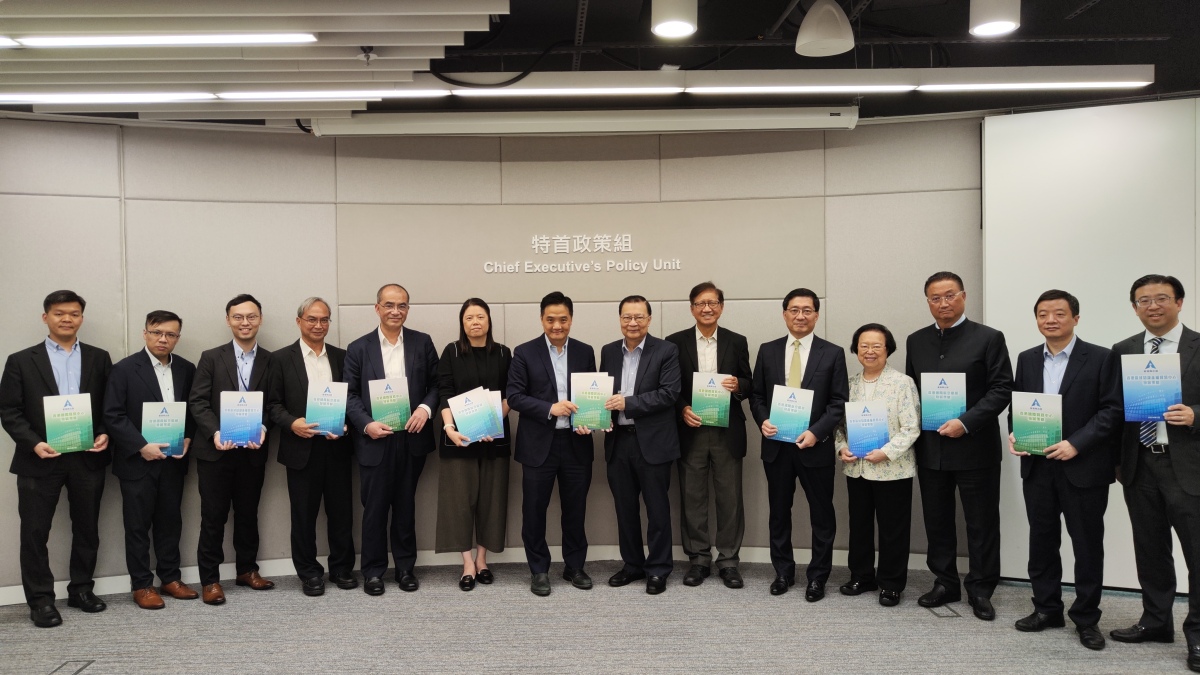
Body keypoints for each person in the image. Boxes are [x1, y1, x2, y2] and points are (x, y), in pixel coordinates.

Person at [1008, 289, 1121, 651]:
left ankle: (1086, 618)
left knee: (1087, 546)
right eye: (1043, 314)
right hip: (1038, 466)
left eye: (1059, 313)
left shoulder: (1102, 357)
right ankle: (1046, 609)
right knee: (1042, 541)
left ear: (1075, 318)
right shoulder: (1026, 358)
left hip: (1083, 467)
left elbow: (1112, 411)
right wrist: (1015, 433)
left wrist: (1076, 443)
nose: (1050, 320)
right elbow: (1019, 403)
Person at [0, 290, 112, 628]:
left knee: (87, 527)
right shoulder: (21, 360)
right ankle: (41, 601)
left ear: (81, 318)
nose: (67, 319)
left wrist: (104, 432)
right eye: (59, 313)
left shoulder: (99, 357)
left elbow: (110, 405)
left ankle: (81, 590)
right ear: (45, 317)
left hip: (87, 457)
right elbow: (9, 411)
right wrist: (34, 443)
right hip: (40, 458)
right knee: (35, 532)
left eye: (74, 313)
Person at [905, 271, 1012, 621]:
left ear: (963, 296)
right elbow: (912, 394)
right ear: (928, 302)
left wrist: (965, 422)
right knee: (937, 521)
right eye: (935, 298)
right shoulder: (916, 340)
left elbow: (1002, 389)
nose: (943, 303)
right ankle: (945, 582)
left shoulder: (989, 338)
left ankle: (981, 589)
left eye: (950, 295)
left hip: (975, 448)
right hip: (931, 449)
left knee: (981, 523)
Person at [1109, 274, 1200, 671]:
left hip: (1188, 467)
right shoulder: (1124, 349)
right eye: (1143, 300)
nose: (1153, 306)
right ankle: (1156, 621)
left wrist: (1196, 415)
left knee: (1197, 554)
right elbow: (1112, 409)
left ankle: (1198, 634)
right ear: (1134, 308)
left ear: (1179, 302)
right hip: (1140, 463)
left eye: (1161, 298)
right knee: (1150, 549)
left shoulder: (1198, 345)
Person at [751, 288, 849, 601]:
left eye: (807, 310)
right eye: (794, 310)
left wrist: (817, 433)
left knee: (822, 515)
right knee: (779, 513)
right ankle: (783, 572)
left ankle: (818, 577)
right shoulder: (767, 350)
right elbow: (757, 395)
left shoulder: (832, 353)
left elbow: (838, 401)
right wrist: (763, 420)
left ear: (816, 315)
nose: (800, 316)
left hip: (814, 447)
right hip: (777, 446)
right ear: (784, 314)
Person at [344, 283, 439, 596]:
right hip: (375, 439)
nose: (395, 311)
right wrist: (366, 424)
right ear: (377, 308)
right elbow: (350, 395)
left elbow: (437, 385)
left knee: (405, 506)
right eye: (389, 305)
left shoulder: (422, 342)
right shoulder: (359, 348)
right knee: (374, 509)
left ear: (407, 309)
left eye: (401, 305)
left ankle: (405, 569)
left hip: (411, 438)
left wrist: (425, 409)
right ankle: (373, 572)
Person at [104, 310, 198, 610]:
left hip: (173, 459)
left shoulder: (186, 368)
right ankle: (142, 584)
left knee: (170, 522)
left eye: (170, 334)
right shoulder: (124, 369)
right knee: (137, 526)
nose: (163, 339)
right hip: (137, 462)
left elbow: (193, 409)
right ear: (145, 333)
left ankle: (170, 578)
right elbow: (113, 415)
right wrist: (141, 446)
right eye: (157, 332)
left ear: (177, 338)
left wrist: (188, 437)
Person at [507, 291, 598, 597]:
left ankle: (575, 566)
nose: (557, 325)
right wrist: (551, 408)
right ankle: (539, 570)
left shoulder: (585, 351)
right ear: (541, 319)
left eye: (563, 319)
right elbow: (515, 396)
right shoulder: (524, 352)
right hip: (538, 445)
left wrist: (589, 419)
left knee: (576, 509)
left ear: (571, 319)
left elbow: (592, 395)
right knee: (534, 511)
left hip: (576, 443)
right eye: (550, 319)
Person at [265, 297, 357, 597]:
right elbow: (273, 404)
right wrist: (292, 423)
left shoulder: (343, 357)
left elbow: (353, 400)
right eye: (312, 319)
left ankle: (342, 568)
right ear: (299, 321)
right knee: (303, 515)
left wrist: (345, 425)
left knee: (342, 513)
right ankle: (309, 573)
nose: (319, 325)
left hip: (336, 447)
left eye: (324, 319)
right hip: (301, 449)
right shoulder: (280, 359)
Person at [188, 293, 274, 606]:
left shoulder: (271, 360)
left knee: (248, 514)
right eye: (238, 317)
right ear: (228, 320)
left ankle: (247, 570)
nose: (245, 322)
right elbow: (197, 401)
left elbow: (274, 403)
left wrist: (263, 428)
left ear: (260, 319)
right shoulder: (211, 357)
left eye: (251, 316)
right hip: (216, 452)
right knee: (213, 516)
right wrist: (215, 432)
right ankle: (210, 580)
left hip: (252, 450)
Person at [665, 281, 752, 589]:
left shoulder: (737, 341)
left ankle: (728, 562)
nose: (707, 308)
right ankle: (699, 559)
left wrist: (738, 385)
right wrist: (682, 409)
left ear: (721, 307)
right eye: (700, 303)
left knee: (730, 499)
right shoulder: (674, 342)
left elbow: (750, 382)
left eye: (712, 303)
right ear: (692, 308)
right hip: (692, 429)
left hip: (728, 430)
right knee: (692, 497)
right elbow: (669, 387)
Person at [834, 323, 920, 607]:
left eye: (876, 346)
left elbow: (911, 427)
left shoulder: (902, 383)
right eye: (864, 346)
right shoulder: (849, 384)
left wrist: (886, 452)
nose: (869, 351)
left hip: (892, 469)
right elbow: (838, 426)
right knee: (859, 526)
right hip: (857, 468)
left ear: (888, 349)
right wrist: (841, 448)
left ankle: (891, 584)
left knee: (893, 529)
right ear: (856, 349)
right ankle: (861, 576)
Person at [600, 295, 681, 595]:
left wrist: (628, 403)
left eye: (638, 317)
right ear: (620, 319)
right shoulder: (608, 351)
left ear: (649, 319)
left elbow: (669, 393)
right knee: (625, 509)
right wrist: (597, 416)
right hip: (618, 441)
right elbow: (601, 392)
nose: (632, 323)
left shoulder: (666, 350)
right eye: (627, 317)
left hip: (654, 443)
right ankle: (632, 564)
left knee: (657, 510)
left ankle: (658, 569)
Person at [436, 298, 512, 592]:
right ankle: (467, 563)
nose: (475, 322)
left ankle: (482, 560)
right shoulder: (451, 351)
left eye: (480, 316)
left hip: (494, 436)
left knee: (492, 500)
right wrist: (449, 428)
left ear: (489, 320)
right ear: (462, 322)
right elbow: (444, 392)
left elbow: (511, 393)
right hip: (459, 439)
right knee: (459, 502)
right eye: (469, 318)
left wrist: (492, 422)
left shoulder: (503, 353)